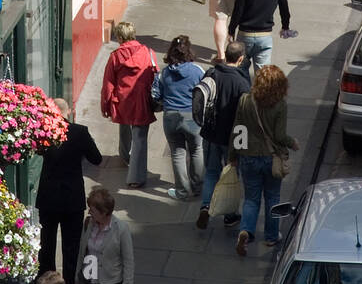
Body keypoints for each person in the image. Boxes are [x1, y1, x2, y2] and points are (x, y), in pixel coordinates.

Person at [36, 97, 103, 284]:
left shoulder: (44, 131)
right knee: (71, 245)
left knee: (47, 243)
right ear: (69, 111)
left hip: (48, 197)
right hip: (72, 197)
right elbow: (96, 159)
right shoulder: (79, 132)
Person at [231, 64, 298, 256]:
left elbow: (238, 130)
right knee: (272, 197)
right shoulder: (280, 105)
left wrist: (233, 156)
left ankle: (246, 231)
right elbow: (279, 136)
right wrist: (292, 142)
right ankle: (270, 236)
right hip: (271, 159)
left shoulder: (245, 100)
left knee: (251, 199)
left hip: (249, 156)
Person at [194, 39, 250, 230]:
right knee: (231, 176)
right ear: (241, 58)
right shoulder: (242, 84)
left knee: (211, 172)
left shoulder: (212, 73)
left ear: (226, 55)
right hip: (231, 139)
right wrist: (241, 145)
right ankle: (230, 215)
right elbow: (244, 118)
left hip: (210, 133)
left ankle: (205, 206)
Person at [100, 21, 158, 190]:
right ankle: (136, 176)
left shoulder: (115, 56)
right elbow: (156, 75)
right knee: (140, 137)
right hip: (142, 99)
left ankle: (125, 156)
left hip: (123, 99)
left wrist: (105, 105)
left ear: (119, 37)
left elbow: (108, 83)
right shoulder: (148, 52)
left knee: (124, 126)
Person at [153, 34, 205, 201]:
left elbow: (155, 95)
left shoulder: (164, 74)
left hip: (171, 117)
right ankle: (197, 187)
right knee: (197, 150)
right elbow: (206, 91)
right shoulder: (197, 71)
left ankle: (182, 191)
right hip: (193, 117)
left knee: (177, 153)